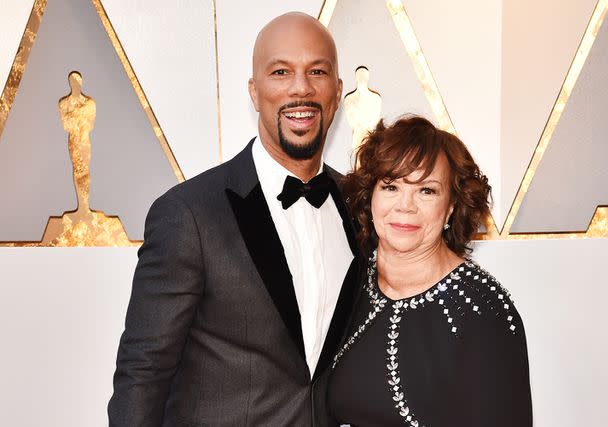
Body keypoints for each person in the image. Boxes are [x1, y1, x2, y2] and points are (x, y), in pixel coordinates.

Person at [108, 12, 359, 426]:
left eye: (317, 71)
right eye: (281, 72)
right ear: (254, 91)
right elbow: (142, 376)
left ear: (336, 91)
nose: (301, 88)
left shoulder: (361, 205)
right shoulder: (189, 215)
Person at [328, 116, 532, 427]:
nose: (405, 206)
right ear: (371, 196)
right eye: (391, 186)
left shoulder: (483, 310)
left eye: (427, 191)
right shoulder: (347, 282)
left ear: (451, 205)